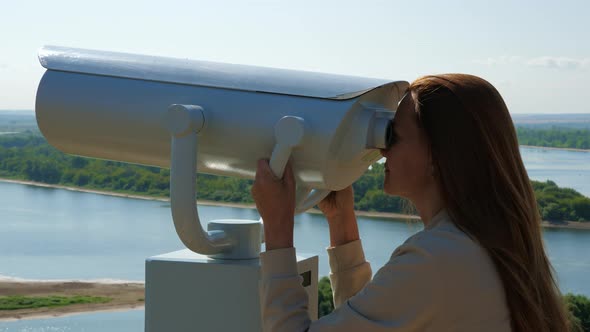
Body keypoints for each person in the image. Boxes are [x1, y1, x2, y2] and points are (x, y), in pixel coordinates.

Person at [251, 74, 571, 332]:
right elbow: (372, 321)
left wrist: (278, 230)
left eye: (394, 136)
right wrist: (341, 220)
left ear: (436, 155)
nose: (383, 151)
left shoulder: (438, 258)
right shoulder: (483, 243)